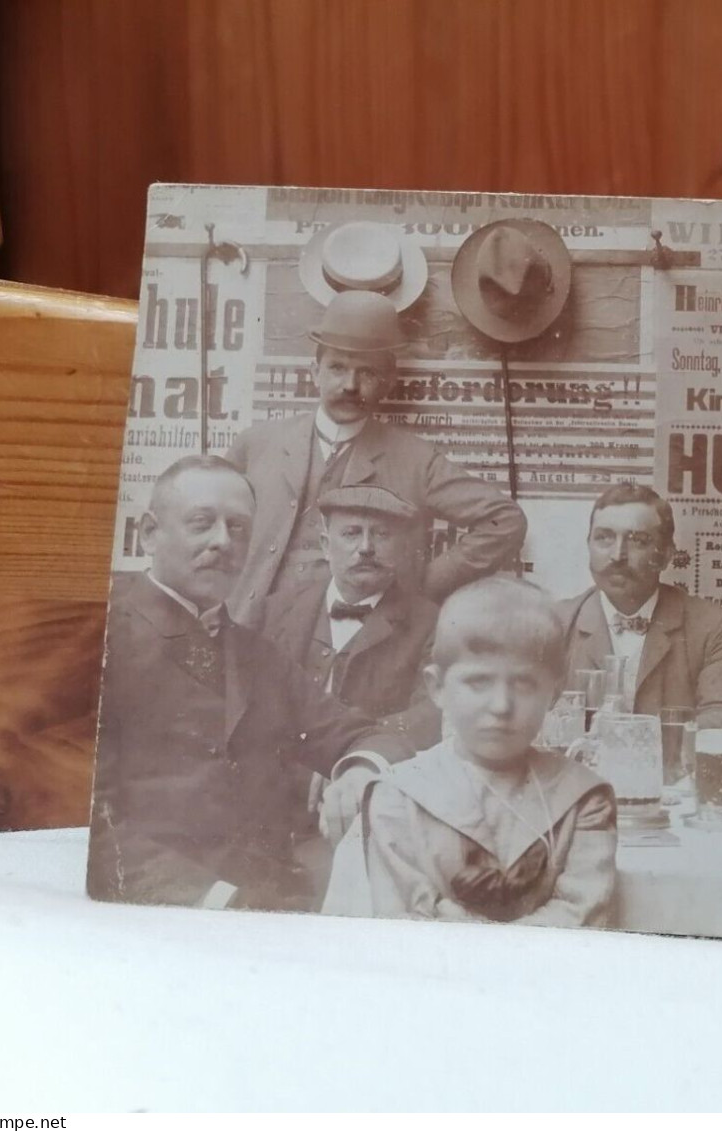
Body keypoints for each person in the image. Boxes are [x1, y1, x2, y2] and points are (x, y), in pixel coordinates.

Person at [87, 456, 409, 912]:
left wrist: (359, 772)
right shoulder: (101, 640)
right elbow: (85, 828)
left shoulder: (258, 656)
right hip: (155, 909)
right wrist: (214, 898)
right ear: (149, 533)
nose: (222, 542)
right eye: (202, 523)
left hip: (270, 898)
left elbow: (366, 735)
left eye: (238, 529)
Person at [322, 577, 618, 926]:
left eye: (524, 684)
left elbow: (582, 912)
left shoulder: (583, 798)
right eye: (478, 682)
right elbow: (401, 917)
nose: (501, 705)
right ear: (438, 688)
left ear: (553, 693)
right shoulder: (397, 796)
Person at [225, 289, 527, 629]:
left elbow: (504, 520)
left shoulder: (415, 459)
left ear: (388, 381)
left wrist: (422, 585)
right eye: (337, 368)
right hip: (255, 630)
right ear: (314, 372)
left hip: (360, 638)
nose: (351, 385)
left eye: (367, 373)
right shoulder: (256, 445)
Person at [558, 483, 722, 730]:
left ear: (666, 555)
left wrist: (636, 736)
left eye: (638, 541)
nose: (618, 555)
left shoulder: (710, 625)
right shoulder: (555, 623)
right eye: (604, 538)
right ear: (588, 545)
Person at [264, 484, 440, 746]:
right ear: (325, 545)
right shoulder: (274, 611)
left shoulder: (430, 624)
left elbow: (430, 714)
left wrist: (356, 747)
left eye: (381, 534)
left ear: (403, 548)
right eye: (351, 533)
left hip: (369, 766)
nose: (366, 547)